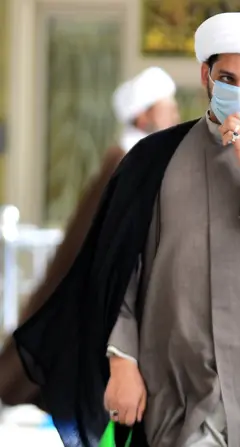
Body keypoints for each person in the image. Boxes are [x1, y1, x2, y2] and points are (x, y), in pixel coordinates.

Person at [13, 11, 240, 447]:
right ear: (205, 75)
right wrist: (122, 359)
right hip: (181, 396)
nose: (238, 91)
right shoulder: (154, 159)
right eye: (227, 78)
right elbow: (119, 269)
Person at [0, 67, 178, 409]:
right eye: (164, 106)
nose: (173, 113)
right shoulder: (128, 160)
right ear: (143, 116)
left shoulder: (139, 157)